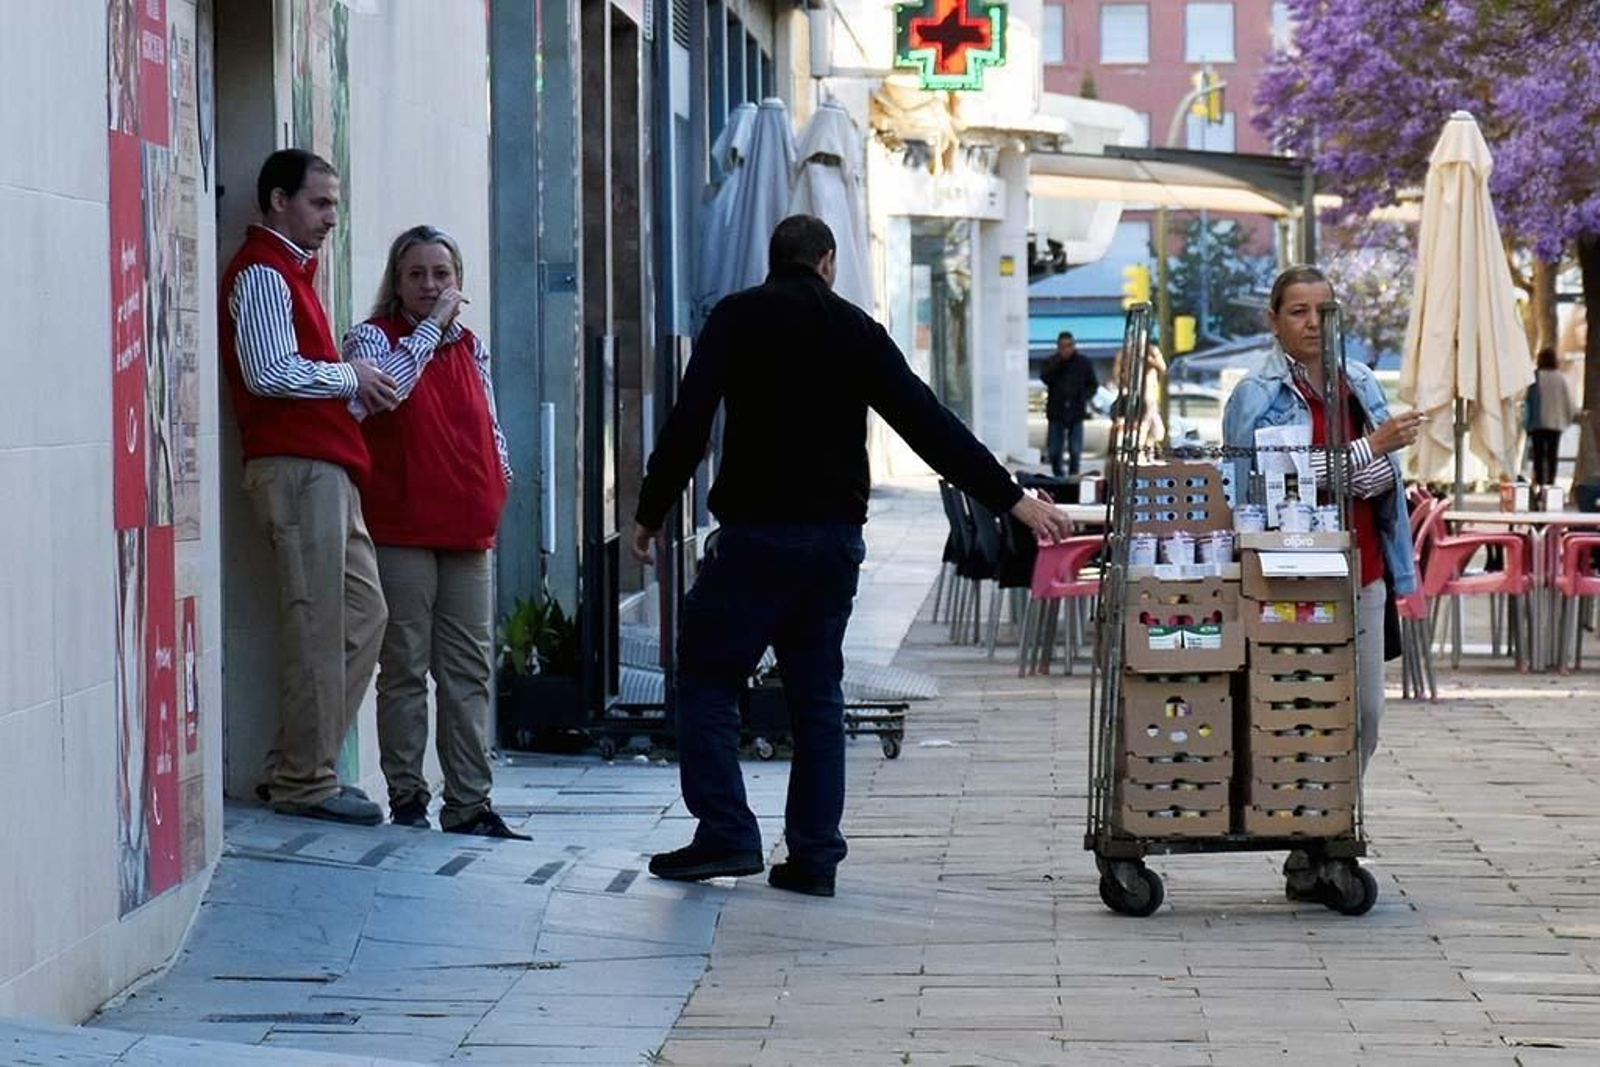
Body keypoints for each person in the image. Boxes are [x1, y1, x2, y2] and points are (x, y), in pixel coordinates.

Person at [631, 215, 1073, 897]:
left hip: (755, 536)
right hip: (833, 542)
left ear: (772, 260)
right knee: (816, 695)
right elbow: (929, 424)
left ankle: (727, 832)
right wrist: (1011, 498)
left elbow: (689, 421)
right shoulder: (856, 330)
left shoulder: (735, 318)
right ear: (828, 262)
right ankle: (813, 856)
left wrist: (651, 511)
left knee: (709, 678)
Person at [1223, 265, 1423, 892]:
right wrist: (1364, 452)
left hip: (1361, 571)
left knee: (1362, 712)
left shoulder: (1358, 381)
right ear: (1275, 320)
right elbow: (1263, 484)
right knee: (1298, 708)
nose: (1314, 324)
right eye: (1300, 312)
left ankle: (1322, 828)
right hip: (1290, 578)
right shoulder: (1256, 394)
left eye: (1325, 311)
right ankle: (1309, 837)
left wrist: (1350, 465)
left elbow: (1379, 480)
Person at [221, 149, 398, 825]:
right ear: (276, 200)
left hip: (322, 464)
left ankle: (300, 765)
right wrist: (350, 376)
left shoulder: (289, 271)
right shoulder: (263, 273)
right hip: (297, 466)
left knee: (359, 613)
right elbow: (268, 372)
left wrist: (351, 383)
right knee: (319, 620)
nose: (331, 216)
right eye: (319, 202)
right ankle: (302, 778)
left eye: (333, 203)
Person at [343, 226, 527, 840]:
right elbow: (384, 393)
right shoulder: (370, 338)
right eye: (417, 274)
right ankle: (408, 796)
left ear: (459, 280)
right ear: (397, 281)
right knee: (403, 667)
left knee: (468, 671)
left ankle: (470, 803)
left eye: (441, 274)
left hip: (468, 527)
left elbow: (490, 417)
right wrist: (428, 330)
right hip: (402, 527)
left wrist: (500, 474)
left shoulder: (471, 347)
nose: (430, 286)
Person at [1040, 330, 1097, 476]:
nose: (1065, 350)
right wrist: (1058, 363)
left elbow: (1093, 384)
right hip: (1056, 411)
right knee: (1054, 450)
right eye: (1062, 346)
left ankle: (1073, 476)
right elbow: (1045, 377)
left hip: (1076, 411)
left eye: (1068, 346)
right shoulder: (1051, 362)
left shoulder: (1083, 363)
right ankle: (1058, 475)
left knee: (1075, 450)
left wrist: (1083, 397)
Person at [1527, 346, 1575, 487]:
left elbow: (1528, 400)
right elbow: (1568, 401)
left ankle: (1540, 484)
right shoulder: (1560, 378)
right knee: (1552, 455)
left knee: (1538, 456)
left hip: (1538, 423)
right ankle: (1551, 483)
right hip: (1556, 423)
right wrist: (1568, 419)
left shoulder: (1535, 377)